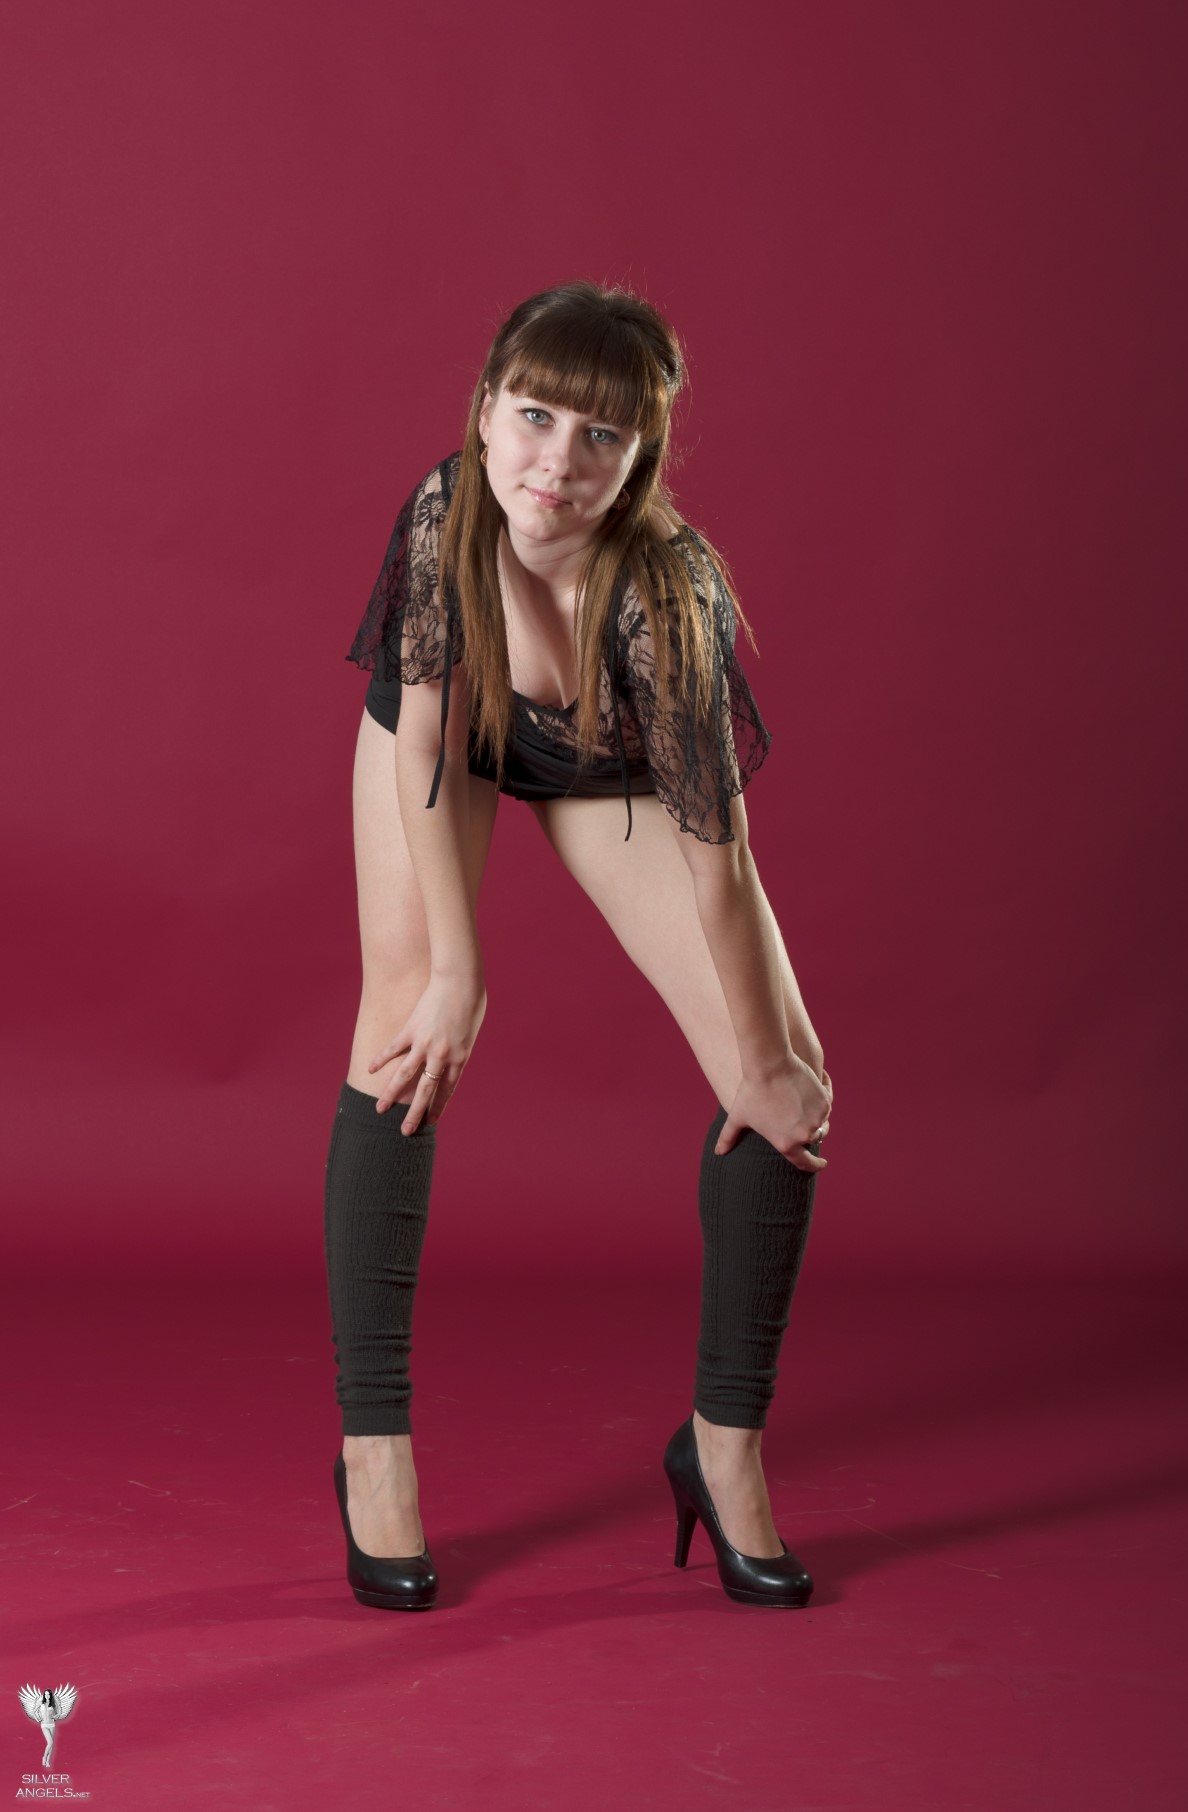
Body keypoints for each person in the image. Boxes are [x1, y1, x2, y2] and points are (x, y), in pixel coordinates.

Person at [324, 280, 834, 1613]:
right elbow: (427, 749)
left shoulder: (670, 593)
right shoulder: (446, 514)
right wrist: (459, 971)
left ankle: (722, 1446)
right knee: (405, 1030)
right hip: (450, 740)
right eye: (537, 416)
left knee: (788, 1086)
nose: (557, 461)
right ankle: (374, 1450)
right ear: (487, 408)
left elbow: (720, 858)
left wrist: (761, 1058)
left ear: (639, 458)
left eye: (601, 435)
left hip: (603, 764)